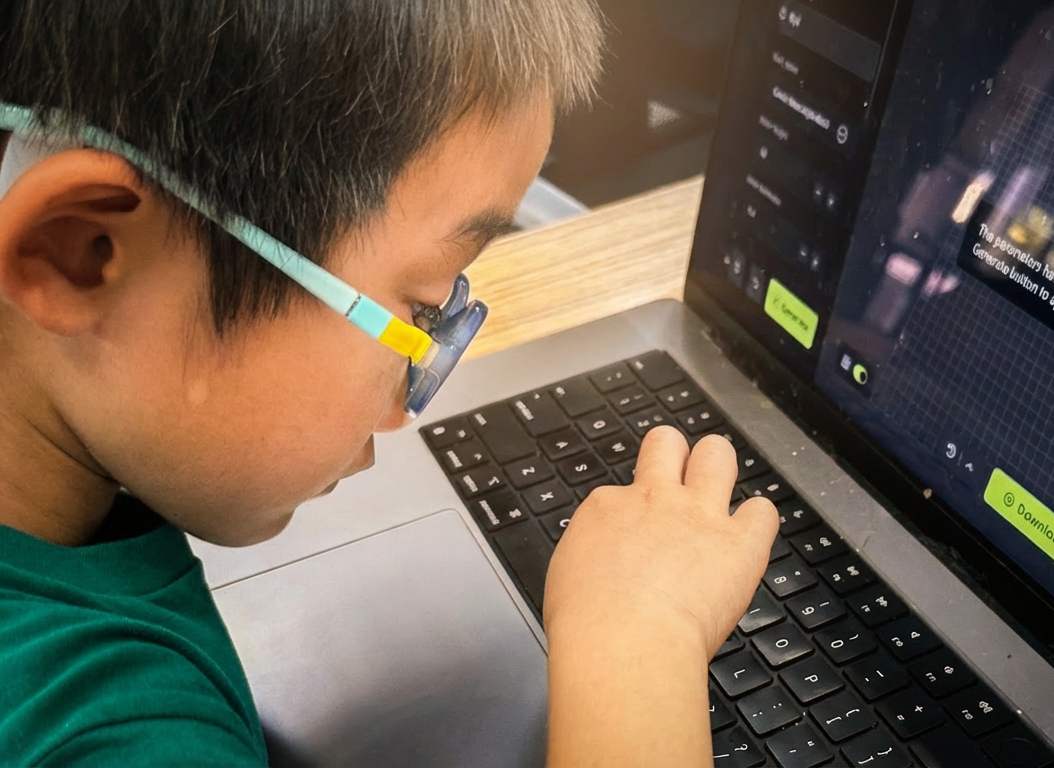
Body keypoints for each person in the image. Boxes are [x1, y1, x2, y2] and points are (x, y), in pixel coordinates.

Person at [0, 1, 778, 765]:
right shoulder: (121, 734)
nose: (405, 410)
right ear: (84, 253)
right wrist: (639, 642)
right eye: (420, 307)